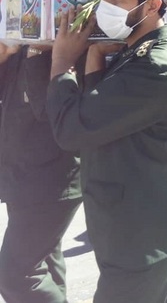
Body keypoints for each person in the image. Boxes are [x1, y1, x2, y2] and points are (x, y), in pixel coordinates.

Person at [46, 0, 167, 302]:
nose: (104, 5)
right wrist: (96, 55)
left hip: (143, 231)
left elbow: (73, 129)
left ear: (152, 5)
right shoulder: (136, 49)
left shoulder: (156, 65)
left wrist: (62, 62)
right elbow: (103, 108)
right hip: (128, 220)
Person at [0, 43, 82, 303]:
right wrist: (4, 57)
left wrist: (37, 52)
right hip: (18, 173)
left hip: (50, 178)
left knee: (17, 275)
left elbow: (52, 113)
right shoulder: (19, 43)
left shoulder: (68, 44)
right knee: (45, 263)